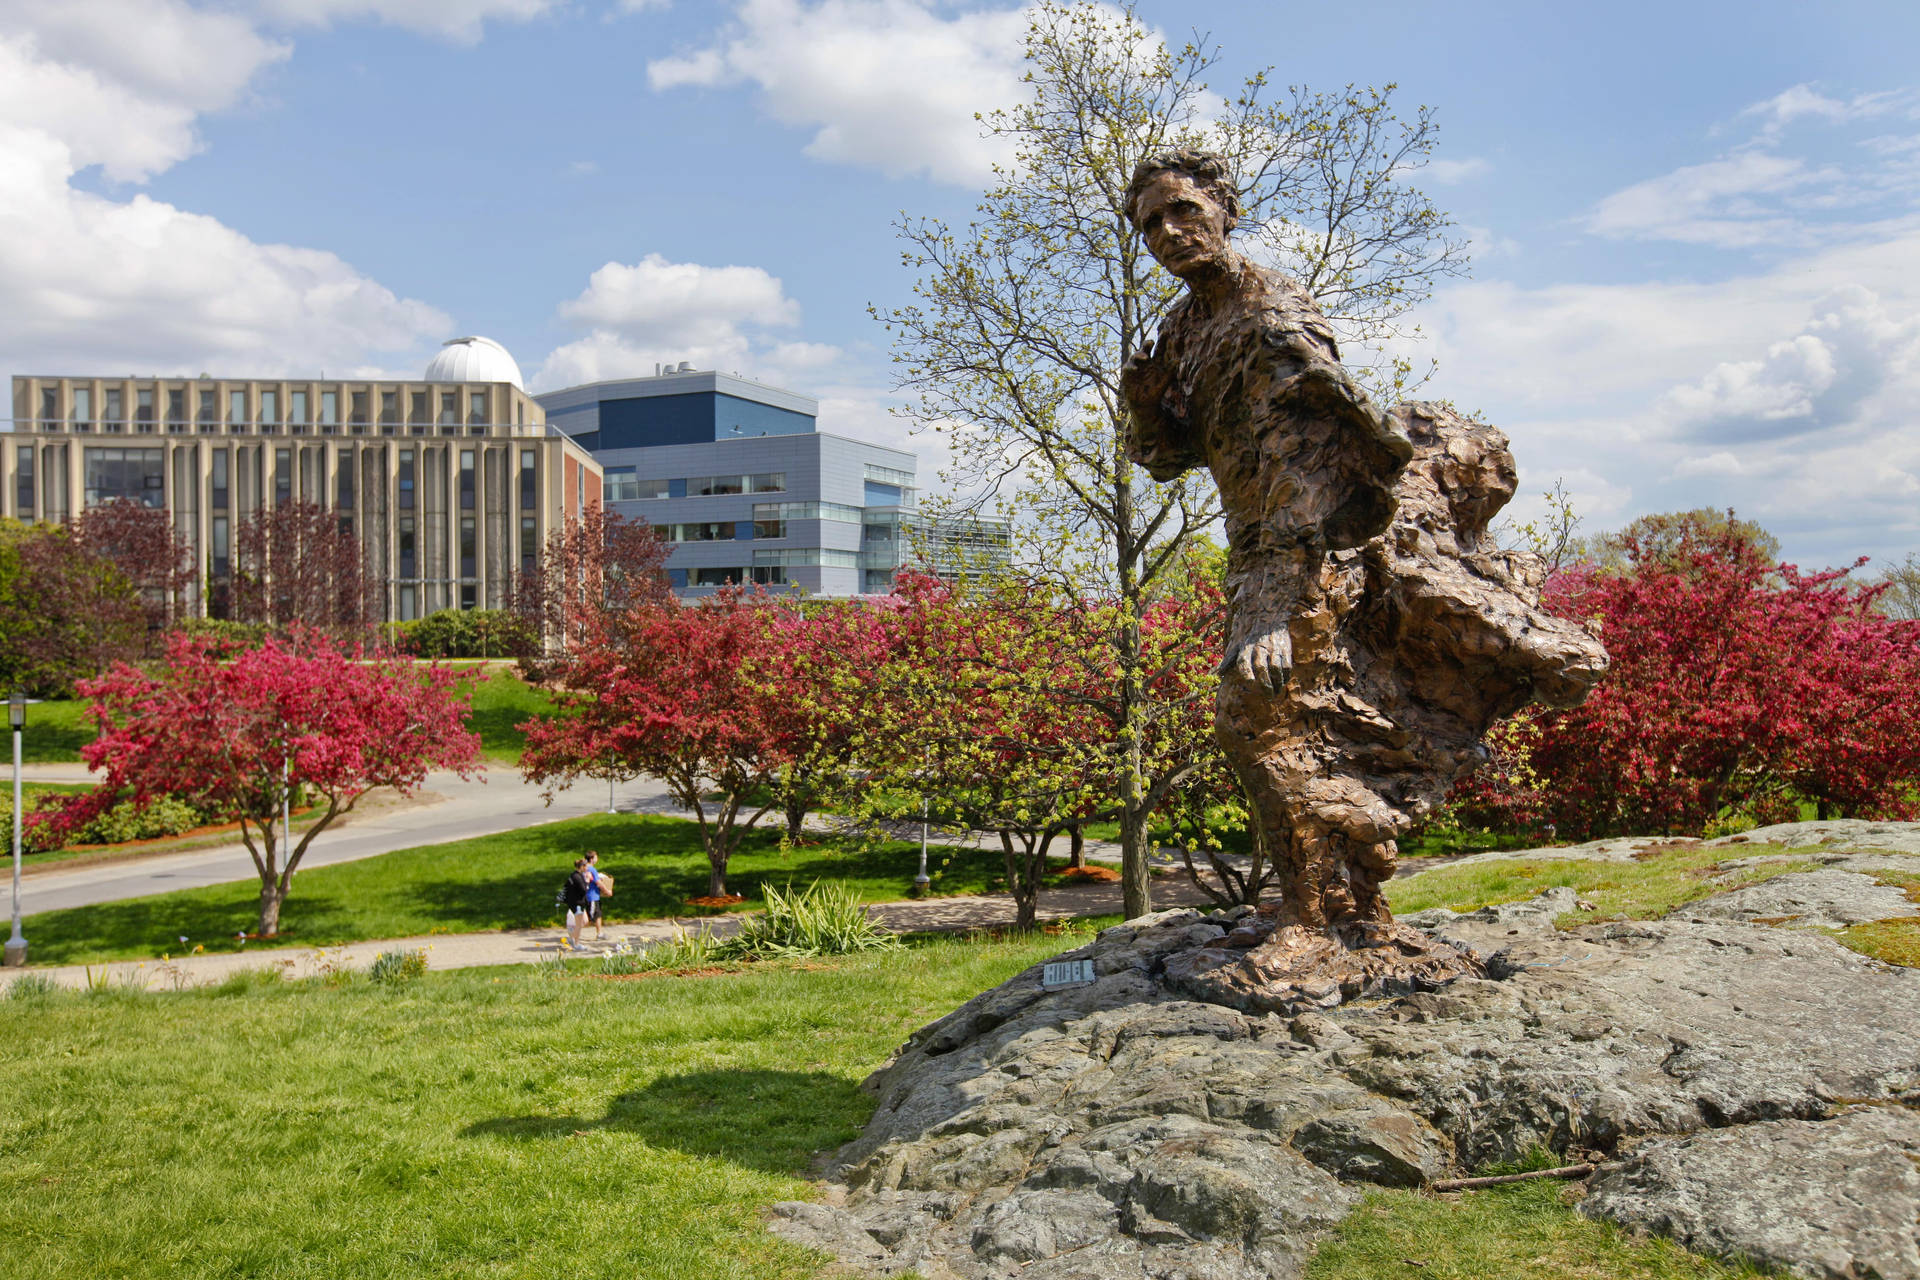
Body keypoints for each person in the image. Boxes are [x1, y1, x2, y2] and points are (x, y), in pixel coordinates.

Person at [561, 857, 593, 948]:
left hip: (576, 903)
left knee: (584, 921)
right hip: (577, 904)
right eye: (586, 866)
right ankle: (576, 943)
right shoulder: (577, 877)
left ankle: (572, 938)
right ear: (582, 867)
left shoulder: (574, 875)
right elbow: (583, 890)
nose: (587, 868)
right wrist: (587, 881)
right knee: (578, 925)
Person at [583, 849, 608, 942]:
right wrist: (607, 891)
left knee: (596, 915)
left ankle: (599, 933)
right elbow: (598, 882)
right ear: (592, 858)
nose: (597, 858)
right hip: (592, 896)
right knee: (592, 917)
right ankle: (573, 932)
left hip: (589, 895)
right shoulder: (591, 869)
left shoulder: (584, 868)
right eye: (596, 857)